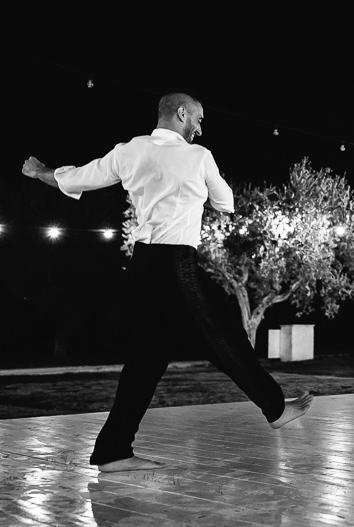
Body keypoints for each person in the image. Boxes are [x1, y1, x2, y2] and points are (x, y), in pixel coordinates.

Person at [21, 93, 313, 472]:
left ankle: (112, 450)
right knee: (223, 332)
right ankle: (274, 408)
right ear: (181, 113)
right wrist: (203, 192)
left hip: (142, 266)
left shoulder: (129, 151)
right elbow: (226, 203)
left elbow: (79, 177)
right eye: (199, 118)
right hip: (178, 264)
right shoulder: (198, 156)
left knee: (147, 358)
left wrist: (40, 171)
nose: (201, 127)